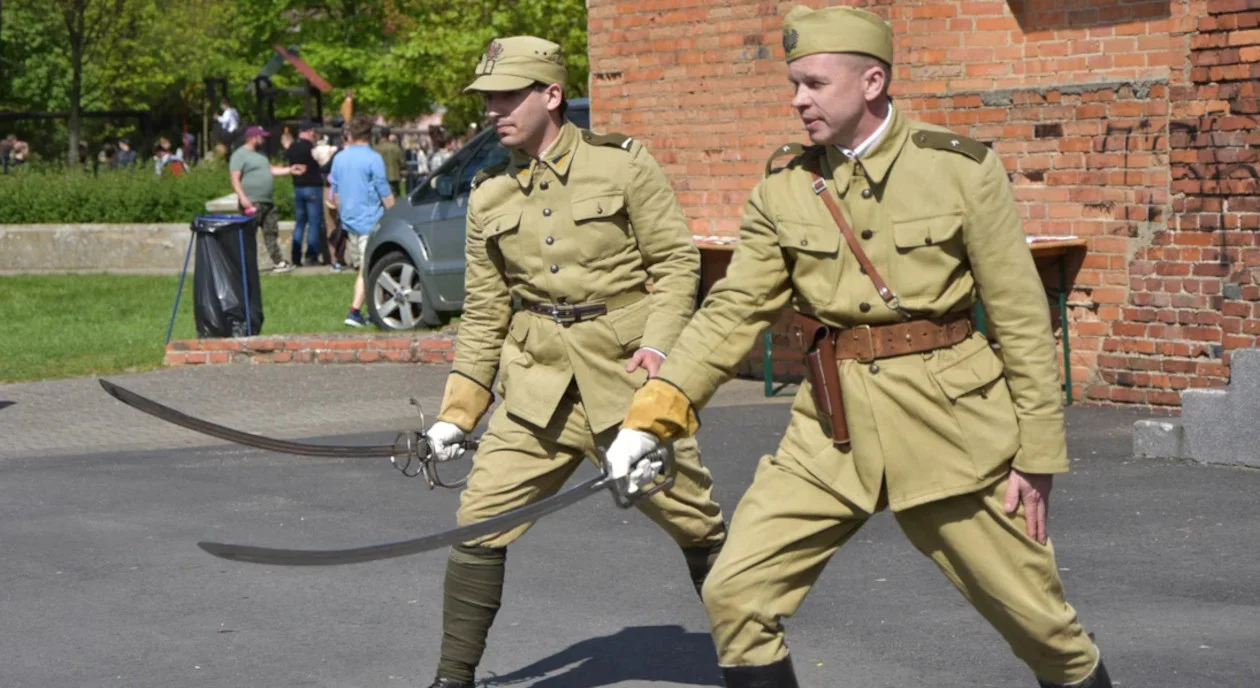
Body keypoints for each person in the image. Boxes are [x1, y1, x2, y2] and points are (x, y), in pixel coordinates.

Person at [604, 6, 1113, 688]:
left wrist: (1038, 452)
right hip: (829, 432)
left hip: (951, 429)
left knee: (1043, 630)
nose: (798, 100)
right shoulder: (781, 190)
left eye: (813, 83)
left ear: (872, 81)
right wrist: (652, 415)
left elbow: (1022, 317)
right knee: (735, 595)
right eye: (794, 84)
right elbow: (731, 311)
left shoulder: (960, 170)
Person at [417, 36, 727, 688]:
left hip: (628, 385)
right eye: (489, 97)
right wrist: (458, 411)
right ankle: (453, 679)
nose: (494, 108)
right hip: (538, 392)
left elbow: (675, 265)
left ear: (551, 95)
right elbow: (483, 313)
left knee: (695, 523)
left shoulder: (622, 166)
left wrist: (661, 349)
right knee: (478, 525)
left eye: (508, 94)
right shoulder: (490, 195)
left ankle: (755, 668)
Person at [328, 114, 394, 325]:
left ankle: (376, 311)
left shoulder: (339, 158)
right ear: (370, 134)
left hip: (349, 221)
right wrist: (395, 213)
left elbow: (334, 194)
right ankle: (354, 311)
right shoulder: (373, 159)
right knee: (368, 269)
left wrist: (343, 214)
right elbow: (384, 191)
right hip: (369, 221)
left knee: (365, 269)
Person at [230, 125, 304, 273]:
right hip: (251, 202)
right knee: (247, 235)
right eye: (261, 136)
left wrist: (290, 170)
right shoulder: (239, 155)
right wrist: (243, 199)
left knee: (271, 232)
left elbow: (270, 170)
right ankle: (244, 265)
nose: (263, 139)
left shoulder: (261, 155)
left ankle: (278, 262)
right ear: (252, 137)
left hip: (267, 202)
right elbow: (235, 179)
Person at [285, 121, 326, 266]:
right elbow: (322, 163)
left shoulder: (292, 147)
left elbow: (287, 157)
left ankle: (295, 256)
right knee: (314, 223)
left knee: (300, 222)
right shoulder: (311, 148)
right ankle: (311, 255)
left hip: (298, 187)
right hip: (313, 186)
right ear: (309, 132)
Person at [373, 126, 406, 198]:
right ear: (389, 135)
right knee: (395, 202)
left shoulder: (376, 149)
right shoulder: (395, 147)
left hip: (380, 178)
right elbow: (402, 163)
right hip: (393, 178)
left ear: (380, 135)